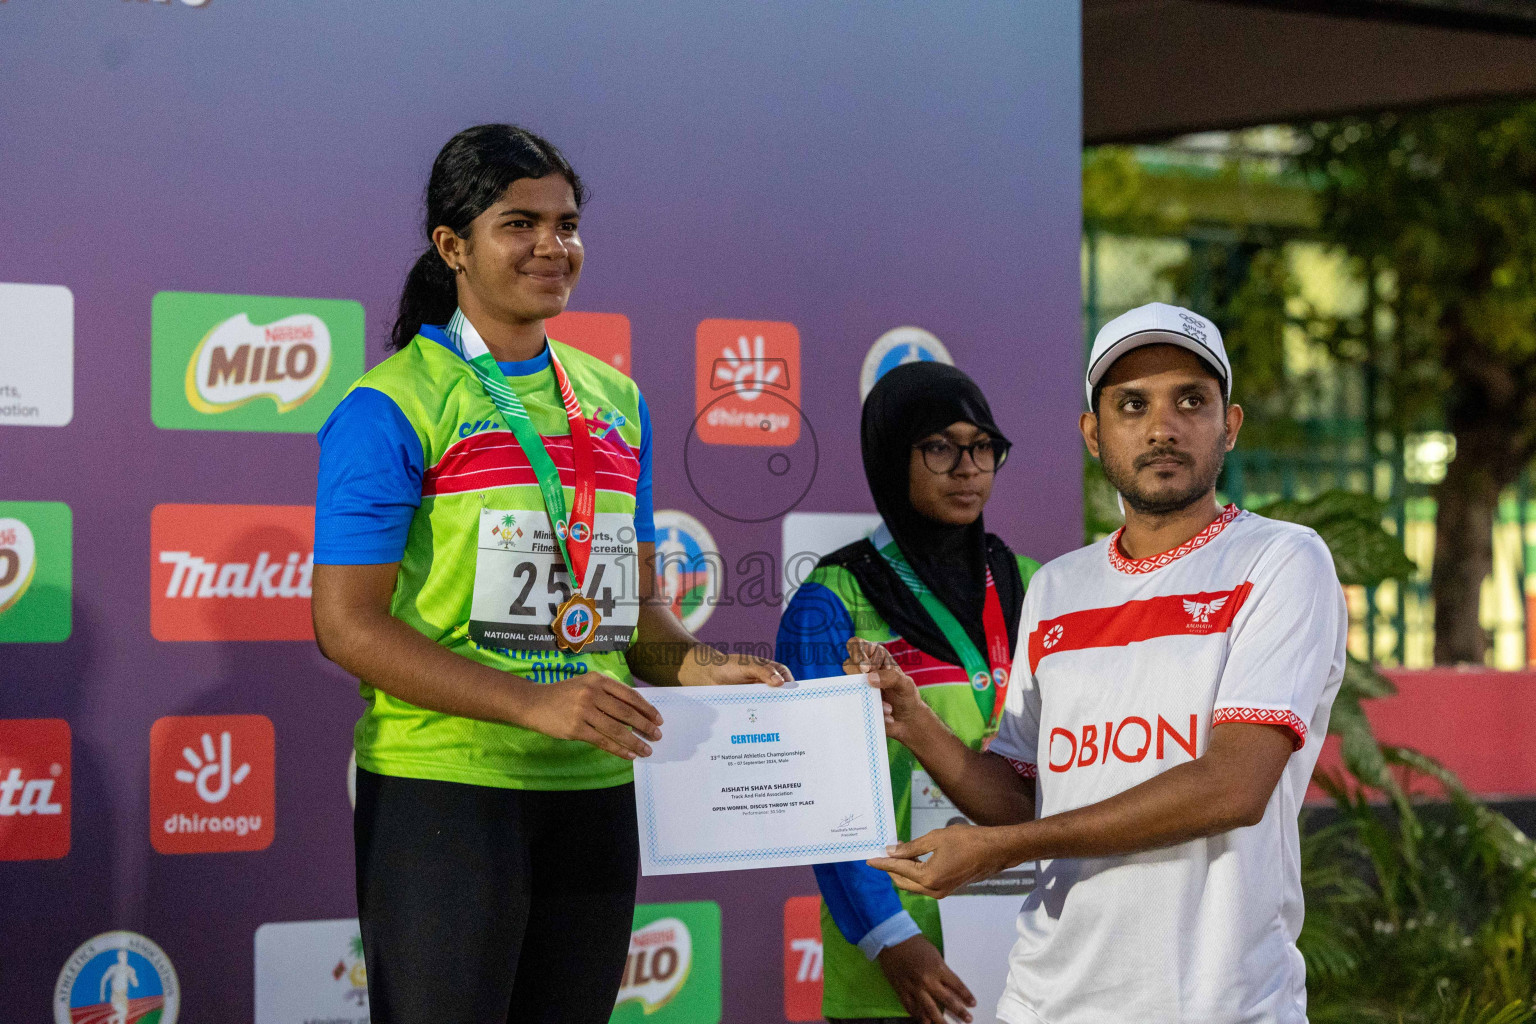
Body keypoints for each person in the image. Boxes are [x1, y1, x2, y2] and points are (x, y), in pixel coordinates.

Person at [310, 124, 788, 1024]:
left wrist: (707, 669)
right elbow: (347, 626)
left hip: (595, 793)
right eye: (518, 223)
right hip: (446, 793)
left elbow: (639, 623)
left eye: (566, 223)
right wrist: (531, 701)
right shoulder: (393, 405)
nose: (551, 246)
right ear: (453, 246)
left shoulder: (615, 401)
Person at [856, 302, 1347, 1024]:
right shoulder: (1058, 587)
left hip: (1217, 1004)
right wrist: (917, 724)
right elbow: (1025, 793)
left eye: (1191, 400)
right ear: (1094, 433)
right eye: (1131, 405)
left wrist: (1005, 849)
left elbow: (1232, 788)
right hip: (1046, 1001)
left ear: (1230, 424)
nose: (1162, 427)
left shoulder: (1281, 559)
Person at [776, 361, 1040, 1024]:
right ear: (893, 456)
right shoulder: (829, 602)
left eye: (983, 446)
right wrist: (890, 939)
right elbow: (821, 800)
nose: (968, 467)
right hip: (901, 958)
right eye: (940, 446)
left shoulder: (1039, 589)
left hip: (1030, 940)